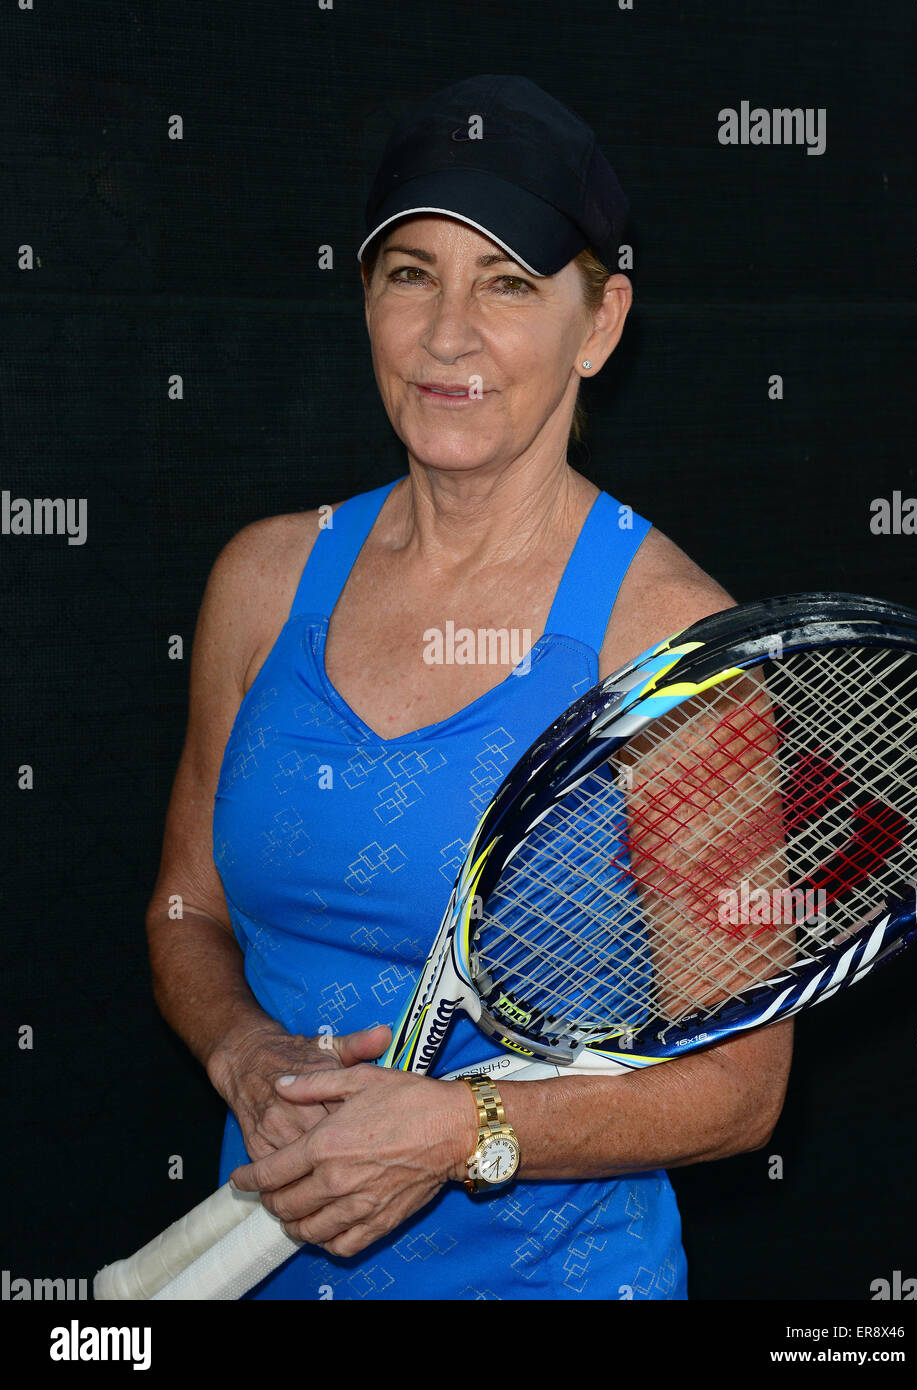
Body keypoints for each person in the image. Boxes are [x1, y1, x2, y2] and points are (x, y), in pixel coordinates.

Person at [147, 73, 793, 1300]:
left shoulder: (667, 641)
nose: (450, 334)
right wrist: (242, 1052)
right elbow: (186, 913)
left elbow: (743, 1088)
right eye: (411, 273)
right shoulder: (264, 582)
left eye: (507, 283)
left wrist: (459, 1130)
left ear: (598, 325)